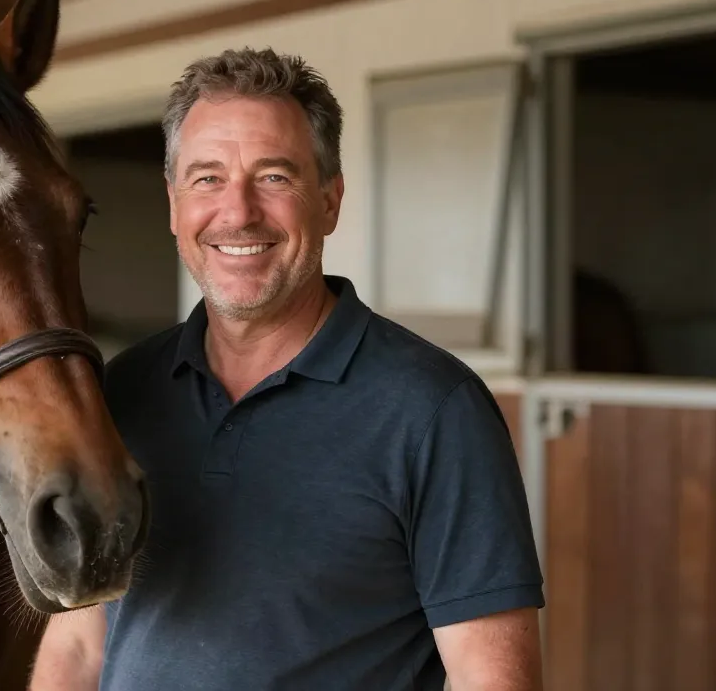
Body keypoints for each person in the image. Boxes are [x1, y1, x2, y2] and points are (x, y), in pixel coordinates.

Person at [28, 47, 545, 690]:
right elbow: (81, 643)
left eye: (274, 177)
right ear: (173, 205)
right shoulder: (122, 391)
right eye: (207, 178)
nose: (238, 212)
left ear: (329, 201)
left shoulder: (434, 409)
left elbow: (490, 678)